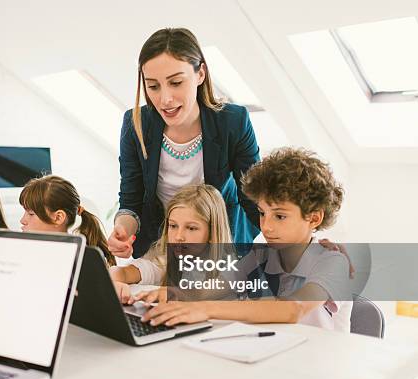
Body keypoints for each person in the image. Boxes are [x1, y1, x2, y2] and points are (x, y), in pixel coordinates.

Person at [140, 148, 353, 331]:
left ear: (314, 218)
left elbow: (292, 309)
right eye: (262, 213)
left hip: (320, 370)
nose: (266, 226)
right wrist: (175, 294)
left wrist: (203, 308)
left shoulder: (333, 261)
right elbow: (214, 287)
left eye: (280, 216)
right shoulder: (261, 254)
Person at [108, 27, 260, 260]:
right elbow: (131, 200)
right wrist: (123, 230)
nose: (165, 99)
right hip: (159, 247)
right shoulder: (134, 123)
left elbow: (255, 198)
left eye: (176, 82)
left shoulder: (233, 121)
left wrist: (298, 245)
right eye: (153, 86)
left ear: (200, 74)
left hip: (221, 246)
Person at [110, 184, 234, 303]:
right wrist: (115, 283)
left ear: (212, 233)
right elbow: (122, 272)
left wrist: (174, 293)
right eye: (173, 226)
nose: (178, 236)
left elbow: (211, 291)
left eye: (191, 228)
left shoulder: (231, 267)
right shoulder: (165, 260)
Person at [19, 175, 115, 266]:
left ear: (58, 217)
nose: (22, 220)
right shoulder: (29, 253)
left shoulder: (78, 261)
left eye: (31, 214)